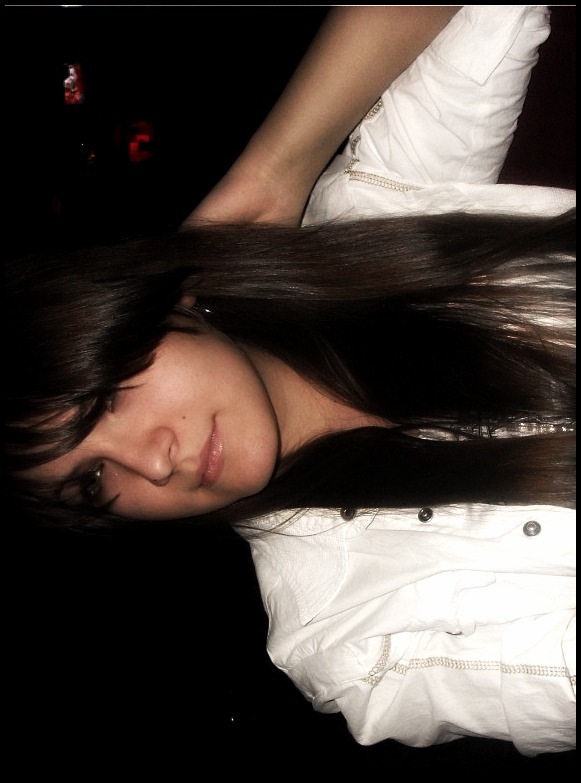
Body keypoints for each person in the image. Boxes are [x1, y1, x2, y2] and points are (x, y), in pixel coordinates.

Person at [6, 6, 575, 757]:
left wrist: (273, 172)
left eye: (107, 397)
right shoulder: (350, 639)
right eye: (92, 481)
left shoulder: (368, 222)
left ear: (157, 302)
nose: (152, 463)